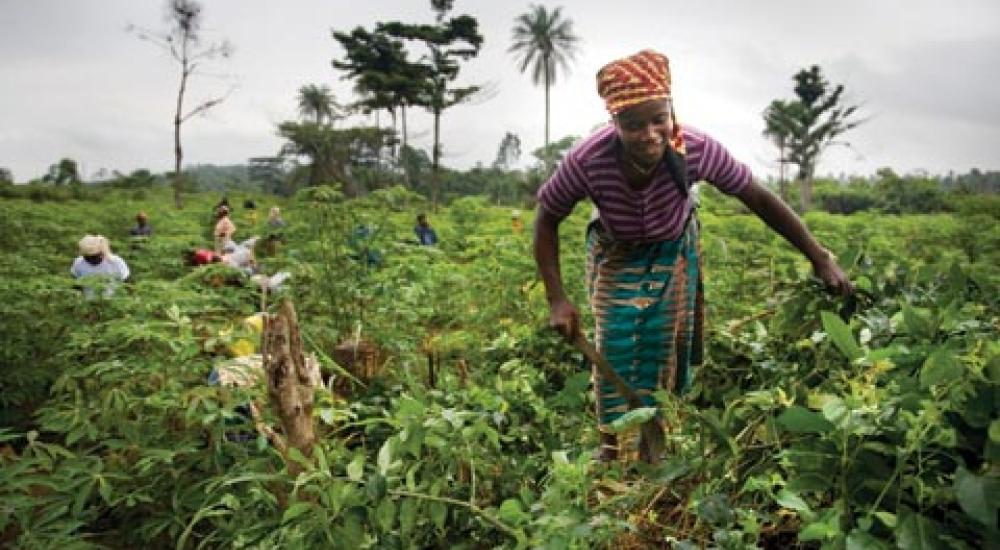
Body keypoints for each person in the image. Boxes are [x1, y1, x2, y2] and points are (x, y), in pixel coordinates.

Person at [533, 49, 853, 461]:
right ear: (614, 123)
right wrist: (556, 298)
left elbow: (757, 197)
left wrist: (819, 257)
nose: (649, 134)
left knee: (665, 345)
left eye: (657, 120)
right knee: (614, 342)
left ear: (671, 111)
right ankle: (611, 449)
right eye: (633, 125)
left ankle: (657, 442)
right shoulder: (588, 159)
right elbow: (546, 220)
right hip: (617, 251)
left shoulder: (698, 150)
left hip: (673, 248)